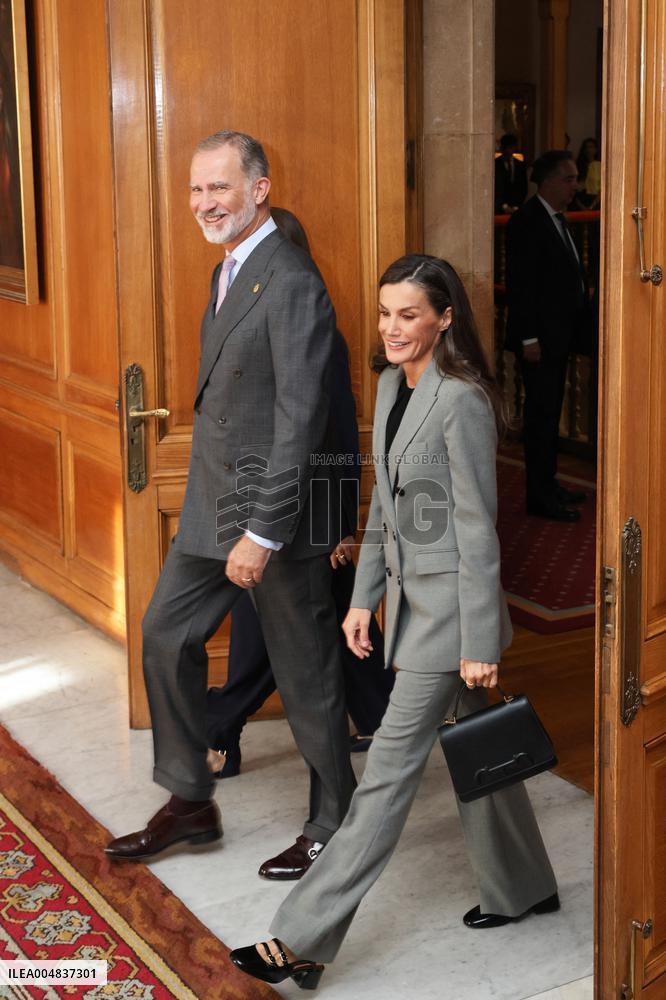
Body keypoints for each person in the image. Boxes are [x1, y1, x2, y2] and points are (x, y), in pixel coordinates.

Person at [229, 254, 559, 990]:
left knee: (383, 781)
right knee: (485, 752)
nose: (392, 328)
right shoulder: (389, 385)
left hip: (450, 623)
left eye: (409, 314)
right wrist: (360, 598)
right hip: (411, 607)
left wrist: (478, 642)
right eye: (385, 314)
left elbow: (476, 530)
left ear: (445, 317)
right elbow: (386, 506)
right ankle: (526, 886)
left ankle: (300, 939)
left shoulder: (461, 400)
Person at [105, 131, 356, 881]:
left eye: (219, 187)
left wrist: (263, 530)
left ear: (259, 189)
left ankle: (332, 822)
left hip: (271, 518)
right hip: (213, 507)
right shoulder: (230, 267)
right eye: (195, 189)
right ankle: (190, 800)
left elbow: (302, 417)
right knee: (162, 634)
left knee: (306, 675)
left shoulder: (291, 279)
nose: (205, 203)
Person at [206, 208, 393, 781]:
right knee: (295, 623)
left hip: (309, 512)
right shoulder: (237, 323)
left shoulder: (318, 333)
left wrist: (341, 522)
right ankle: (379, 718)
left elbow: (335, 431)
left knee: (294, 628)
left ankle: (223, 725)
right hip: (254, 506)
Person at [505, 150, 589, 522]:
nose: (576, 186)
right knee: (539, 420)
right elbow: (521, 287)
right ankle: (539, 497)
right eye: (570, 179)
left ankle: (550, 484)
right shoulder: (527, 221)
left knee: (550, 414)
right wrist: (528, 340)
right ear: (551, 181)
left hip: (559, 337)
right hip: (538, 342)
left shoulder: (557, 219)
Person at [494, 133, 528, 215]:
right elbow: (495, 188)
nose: (508, 151)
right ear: (502, 148)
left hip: (517, 207)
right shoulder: (494, 165)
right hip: (498, 209)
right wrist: (503, 206)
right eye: (507, 148)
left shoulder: (520, 165)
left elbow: (523, 187)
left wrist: (516, 206)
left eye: (511, 148)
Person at [573, 137, 601, 210]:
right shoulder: (578, 165)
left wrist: (592, 207)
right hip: (579, 199)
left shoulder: (600, 165)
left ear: (596, 149)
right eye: (586, 147)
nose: (589, 150)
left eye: (591, 147)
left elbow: (602, 189)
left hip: (596, 200)